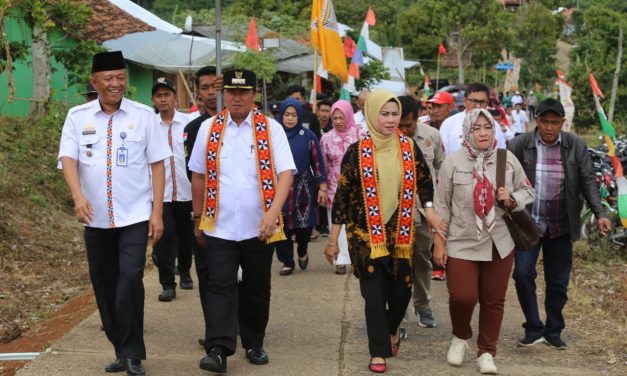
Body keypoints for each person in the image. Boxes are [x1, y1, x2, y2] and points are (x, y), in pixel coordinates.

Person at [58, 51, 171, 376]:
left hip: (134, 216)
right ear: (95, 82)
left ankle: (134, 352)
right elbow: (68, 159)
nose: (116, 84)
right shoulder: (78, 117)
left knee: (129, 281)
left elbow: (158, 165)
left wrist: (157, 213)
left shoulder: (143, 116)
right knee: (104, 285)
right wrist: (78, 197)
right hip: (95, 219)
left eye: (120, 77)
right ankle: (120, 348)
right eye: (108, 79)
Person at [189, 68, 295, 374]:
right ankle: (218, 349)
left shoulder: (270, 129)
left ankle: (254, 342)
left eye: (243, 93)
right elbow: (197, 174)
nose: (237, 98)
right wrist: (197, 217)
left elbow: (285, 173)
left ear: (253, 96)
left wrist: (273, 212)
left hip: (259, 226)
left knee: (256, 286)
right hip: (219, 224)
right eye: (232, 93)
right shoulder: (209, 128)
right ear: (225, 95)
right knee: (219, 284)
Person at [325, 89, 434, 373]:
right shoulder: (357, 152)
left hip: (400, 235)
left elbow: (424, 182)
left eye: (394, 114)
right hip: (364, 237)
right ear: (372, 115)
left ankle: (393, 327)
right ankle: (378, 352)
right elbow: (342, 196)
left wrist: (431, 211)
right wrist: (333, 239)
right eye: (384, 114)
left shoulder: (409, 148)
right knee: (374, 296)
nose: (390, 120)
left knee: (401, 293)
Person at [433, 108, 535, 375]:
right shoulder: (453, 162)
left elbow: (528, 191)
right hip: (461, 240)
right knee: (462, 296)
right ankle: (460, 336)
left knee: (493, 300)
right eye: (476, 128)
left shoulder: (507, 159)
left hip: (499, 241)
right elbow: (442, 204)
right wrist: (439, 242)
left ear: (494, 130)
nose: (482, 133)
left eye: (487, 127)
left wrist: (512, 199)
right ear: (467, 131)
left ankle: (487, 351)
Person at [508, 98, 612, 350]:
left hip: (561, 224)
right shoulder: (519, 145)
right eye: (545, 122)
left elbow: (587, 182)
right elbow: (505, 178)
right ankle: (533, 327)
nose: (550, 127)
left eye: (555, 123)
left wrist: (600, 214)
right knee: (522, 274)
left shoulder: (576, 145)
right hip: (528, 223)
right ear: (537, 121)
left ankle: (553, 329)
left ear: (563, 123)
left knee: (557, 282)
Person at [397, 95, 445, 334]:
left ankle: (423, 305)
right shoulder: (388, 137)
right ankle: (399, 317)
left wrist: (440, 210)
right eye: (401, 125)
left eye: (409, 125)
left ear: (418, 118)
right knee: (399, 264)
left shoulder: (431, 137)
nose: (405, 130)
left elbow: (442, 171)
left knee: (423, 261)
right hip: (397, 213)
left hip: (425, 212)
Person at [150, 78, 195, 302]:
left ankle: (185, 271)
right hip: (162, 195)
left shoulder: (188, 123)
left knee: (187, 237)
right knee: (164, 238)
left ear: (175, 97)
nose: (163, 99)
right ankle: (167, 283)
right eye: (158, 96)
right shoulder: (150, 125)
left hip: (187, 192)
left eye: (167, 95)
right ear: (154, 100)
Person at [274, 98, 327, 276]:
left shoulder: (308, 136)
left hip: (303, 187)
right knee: (281, 227)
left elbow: (317, 161)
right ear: (281, 116)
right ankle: (287, 261)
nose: (290, 118)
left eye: (294, 115)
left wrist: (322, 186)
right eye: (287, 115)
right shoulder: (273, 135)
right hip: (279, 187)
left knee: (304, 227)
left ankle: (302, 250)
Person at [320, 100, 365, 275]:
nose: (338, 121)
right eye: (334, 118)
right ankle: (340, 260)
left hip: (356, 187)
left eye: (341, 117)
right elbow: (323, 165)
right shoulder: (326, 138)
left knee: (355, 224)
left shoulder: (359, 134)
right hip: (334, 188)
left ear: (348, 116)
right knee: (336, 225)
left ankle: (356, 257)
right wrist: (322, 187)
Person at [440, 83, 507, 156]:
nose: (478, 105)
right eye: (474, 101)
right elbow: (441, 155)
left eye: (482, 102)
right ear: (464, 101)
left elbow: (501, 154)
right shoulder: (449, 124)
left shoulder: (495, 125)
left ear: (487, 103)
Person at [184, 66, 219, 179]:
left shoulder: (237, 121)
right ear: (198, 93)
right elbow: (192, 173)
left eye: (215, 86)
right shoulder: (192, 128)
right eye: (205, 88)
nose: (211, 92)